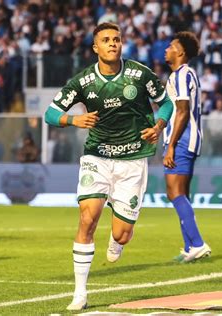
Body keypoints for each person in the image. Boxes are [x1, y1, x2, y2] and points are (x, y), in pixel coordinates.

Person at [44, 23, 173, 310]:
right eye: (106, 40)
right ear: (96, 47)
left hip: (132, 158)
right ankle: (80, 293)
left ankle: (117, 240)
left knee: (120, 234)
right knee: (87, 219)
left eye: (116, 39)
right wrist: (72, 120)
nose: (112, 43)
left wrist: (159, 125)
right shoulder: (83, 82)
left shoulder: (140, 75)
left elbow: (166, 104)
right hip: (97, 157)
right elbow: (50, 114)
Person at [163, 31, 211, 263]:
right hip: (185, 139)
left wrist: (171, 145)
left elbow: (182, 111)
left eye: (171, 46)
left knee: (174, 192)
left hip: (182, 140)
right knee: (182, 194)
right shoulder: (182, 75)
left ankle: (198, 243)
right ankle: (190, 247)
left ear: (180, 52)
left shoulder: (182, 74)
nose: (166, 49)